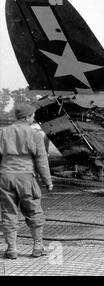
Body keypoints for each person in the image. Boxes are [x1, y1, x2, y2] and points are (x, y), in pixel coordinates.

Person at [0, 103, 53, 259]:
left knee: (8, 212)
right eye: (33, 116)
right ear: (27, 117)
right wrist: (47, 181)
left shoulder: (3, 132)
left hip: (5, 177)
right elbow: (41, 160)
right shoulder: (35, 134)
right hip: (26, 178)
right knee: (33, 210)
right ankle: (38, 247)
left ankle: (12, 249)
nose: (34, 118)